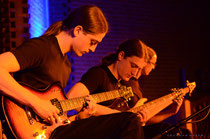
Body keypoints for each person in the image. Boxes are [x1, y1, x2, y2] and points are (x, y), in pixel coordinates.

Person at [0, 5, 144, 139]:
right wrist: (36, 104)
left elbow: (56, 115)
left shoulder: (66, 66)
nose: (93, 49)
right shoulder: (42, 47)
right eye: (93, 42)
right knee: (128, 120)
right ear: (78, 30)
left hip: (45, 131)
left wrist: (80, 117)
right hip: (21, 124)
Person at [67, 41, 184, 138]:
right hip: (98, 132)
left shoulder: (124, 84)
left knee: (169, 131)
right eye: (133, 66)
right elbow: (72, 98)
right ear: (121, 55)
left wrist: (170, 112)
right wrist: (120, 116)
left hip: (117, 131)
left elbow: (127, 117)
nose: (135, 73)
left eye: (139, 68)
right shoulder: (99, 74)